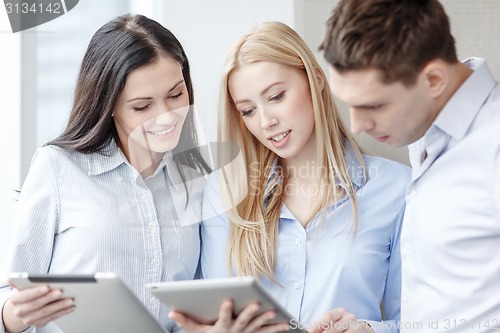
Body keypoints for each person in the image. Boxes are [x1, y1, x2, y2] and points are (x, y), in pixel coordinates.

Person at [170, 22, 410, 333]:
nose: (266, 121)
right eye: (248, 111)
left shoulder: (395, 189)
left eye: (277, 96)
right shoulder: (225, 191)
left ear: (316, 79)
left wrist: (370, 330)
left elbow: (420, 322)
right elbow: (211, 317)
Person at [0, 14, 213, 333]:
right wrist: (12, 315)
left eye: (176, 95)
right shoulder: (58, 167)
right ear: (109, 104)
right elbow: (12, 292)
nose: (167, 117)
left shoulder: (195, 171)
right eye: (143, 106)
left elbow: (194, 301)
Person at [321, 0, 500, 332]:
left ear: (433, 79)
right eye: (348, 105)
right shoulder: (424, 128)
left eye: (374, 104)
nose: (357, 125)